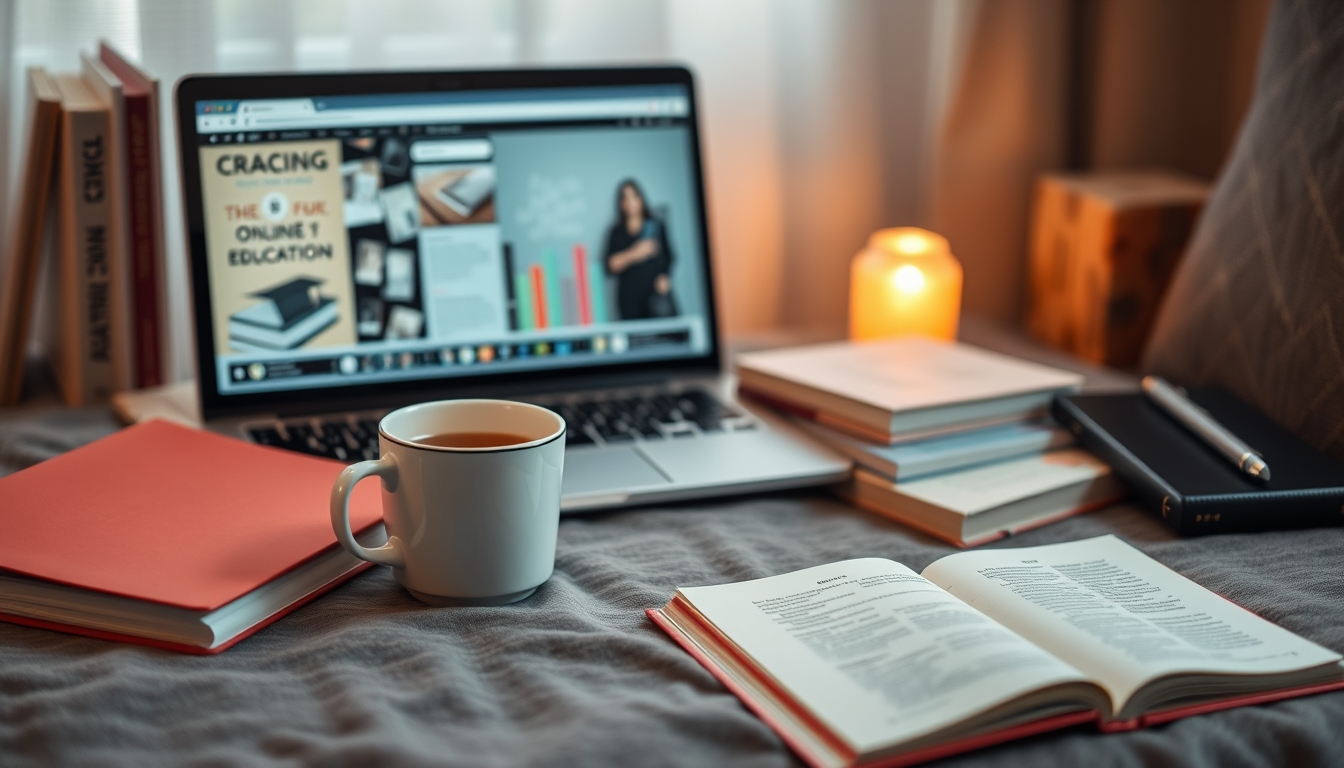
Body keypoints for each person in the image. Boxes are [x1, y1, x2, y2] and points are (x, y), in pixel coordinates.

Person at [604, 179, 675, 320]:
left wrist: (665, 276)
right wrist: (635, 253)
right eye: (625, 198)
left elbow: (669, 256)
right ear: (621, 203)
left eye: (634, 196)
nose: (630, 202)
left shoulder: (656, 225)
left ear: (641, 198)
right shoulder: (617, 232)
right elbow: (610, 266)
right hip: (630, 299)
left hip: (655, 295)